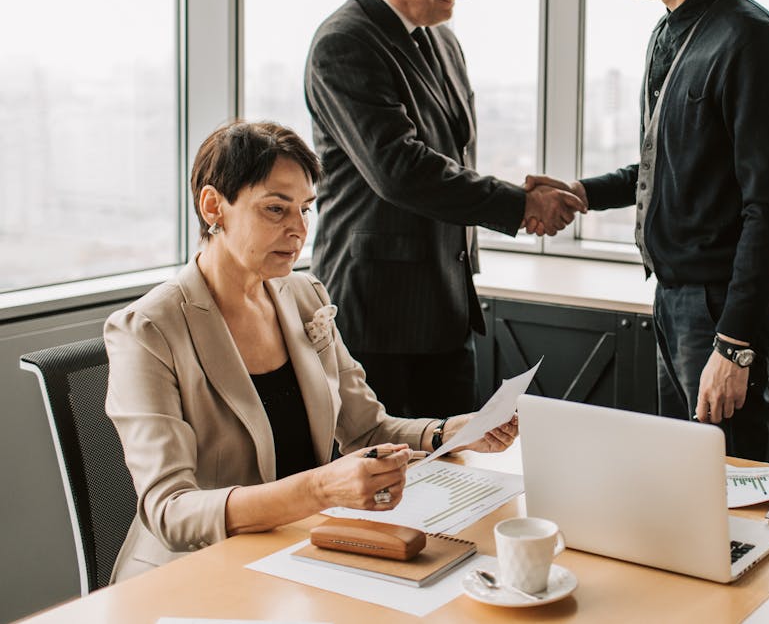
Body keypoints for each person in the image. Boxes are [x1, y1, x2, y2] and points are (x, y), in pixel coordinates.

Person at [104, 121, 518, 583]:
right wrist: (321, 488)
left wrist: (447, 434)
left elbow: (367, 429)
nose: (299, 230)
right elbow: (170, 511)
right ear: (212, 206)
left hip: (299, 552)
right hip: (196, 574)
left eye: (305, 209)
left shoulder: (305, 296)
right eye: (276, 210)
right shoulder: (147, 329)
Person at [531, 0, 769, 459]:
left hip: (717, 310)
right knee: (683, 475)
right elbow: (661, 166)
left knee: (728, 483)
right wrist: (581, 191)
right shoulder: (667, 34)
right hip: (671, 300)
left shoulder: (748, 39)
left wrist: (734, 346)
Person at [305, 0, 584, 419]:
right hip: (379, 321)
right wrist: (519, 204)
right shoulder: (343, 44)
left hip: (447, 310)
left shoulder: (442, 41)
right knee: (391, 489)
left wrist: (525, 196)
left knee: (457, 468)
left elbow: (451, 156)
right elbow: (400, 170)